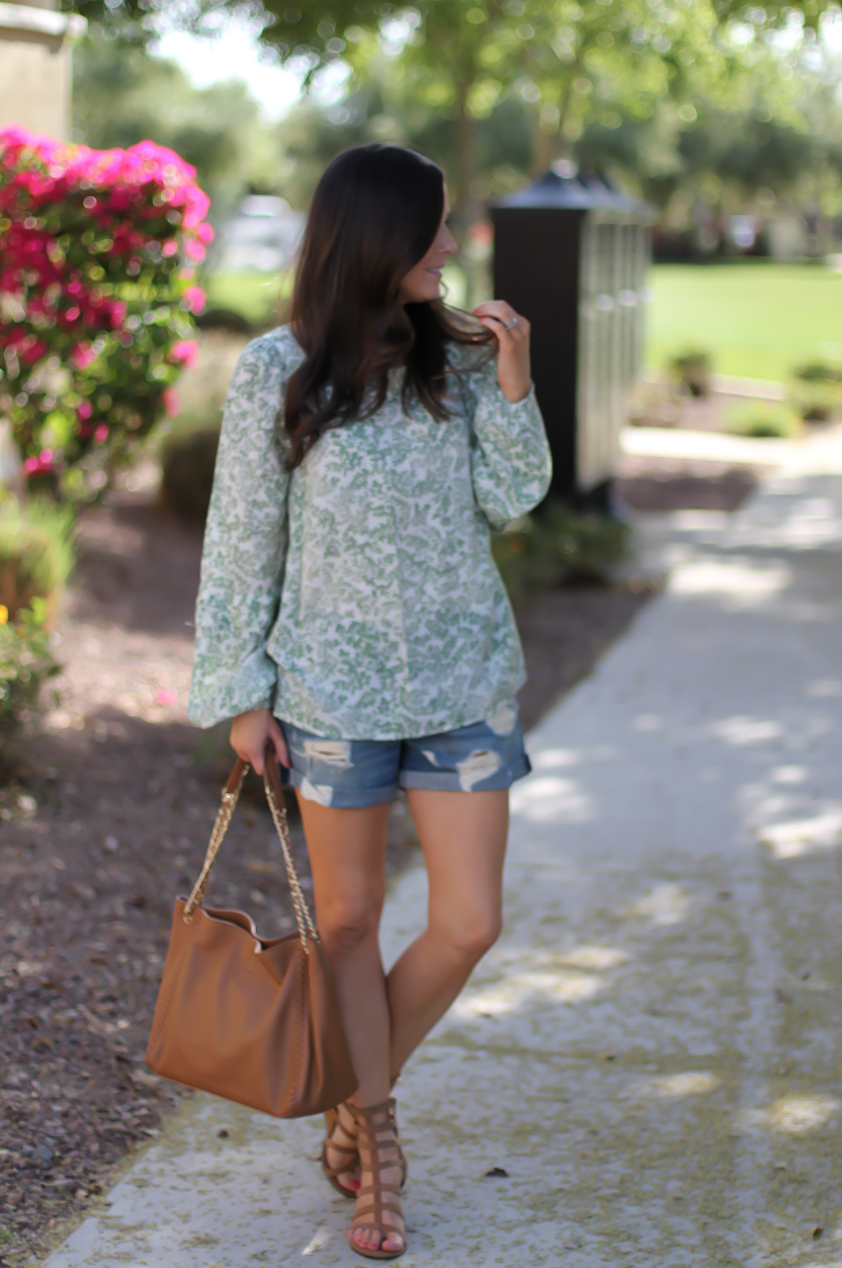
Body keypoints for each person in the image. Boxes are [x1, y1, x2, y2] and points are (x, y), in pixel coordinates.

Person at [188, 143, 551, 1261]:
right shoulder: (274, 368)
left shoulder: (455, 358)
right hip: (329, 693)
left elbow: (514, 493)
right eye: (435, 228)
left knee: (467, 921)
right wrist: (242, 693)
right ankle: (379, 1143)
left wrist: (515, 378)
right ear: (380, 238)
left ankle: (349, 1095)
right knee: (344, 922)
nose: (451, 245)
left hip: (461, 686)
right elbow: (240, 544)